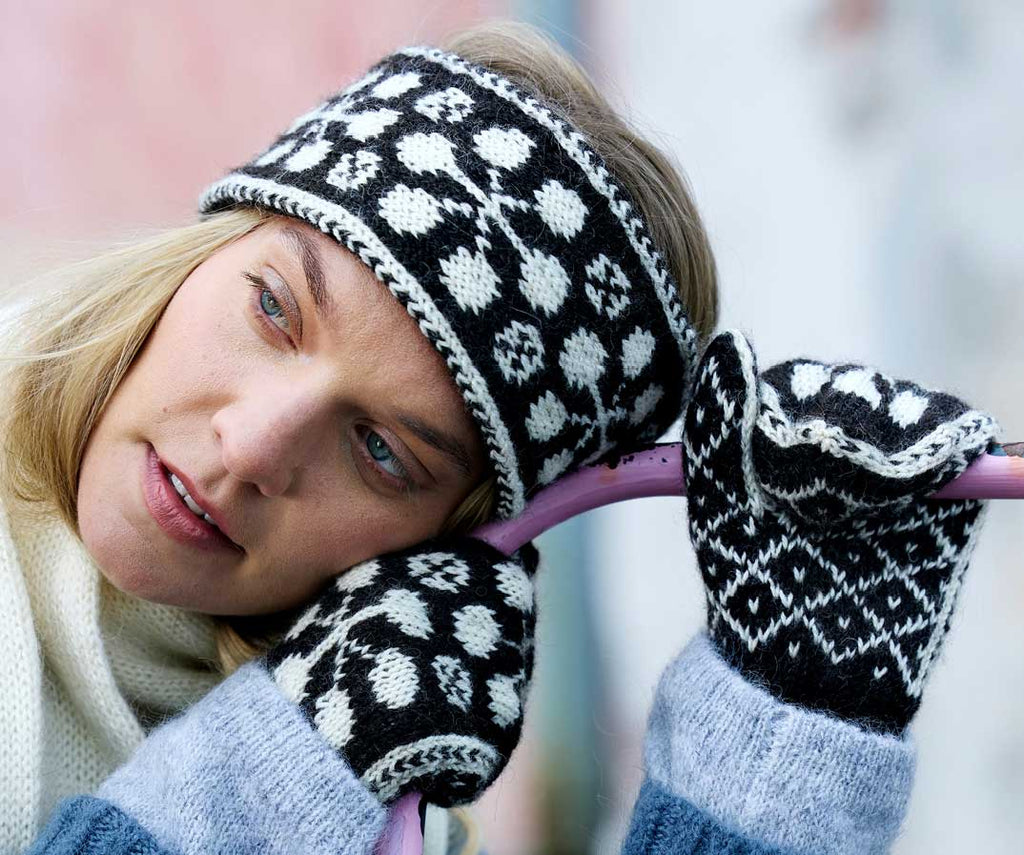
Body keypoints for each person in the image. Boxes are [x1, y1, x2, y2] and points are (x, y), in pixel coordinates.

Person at [0, 20, 994, 855]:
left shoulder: (362, 797)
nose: (253, 445)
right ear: (214, 245)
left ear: (450, 549)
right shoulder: (297, 774)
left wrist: (777, 748)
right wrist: (257, 790)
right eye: (273, 307)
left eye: (382, 451)